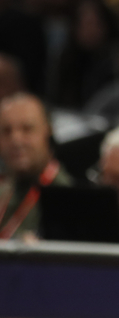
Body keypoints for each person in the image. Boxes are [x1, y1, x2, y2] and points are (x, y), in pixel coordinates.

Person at [0, 93, 71, 240]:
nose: (16, 140)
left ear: (48, 131)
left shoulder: (67, 197)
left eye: (27, 129)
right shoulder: (4, 189)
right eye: (6, 131)